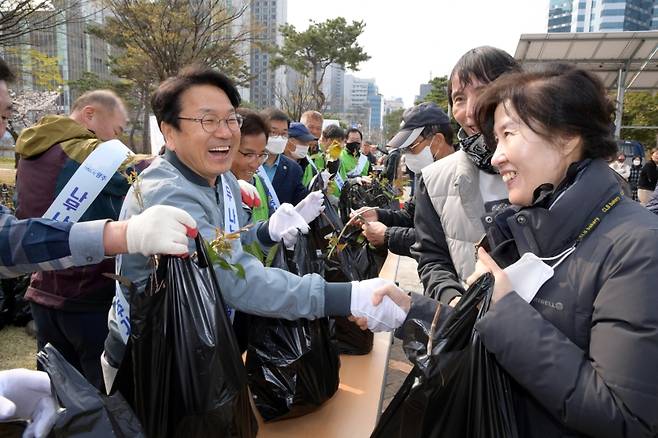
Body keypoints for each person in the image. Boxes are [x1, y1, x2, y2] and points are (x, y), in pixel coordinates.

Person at [376, 63, 658, 438]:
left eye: (509, 134)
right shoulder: (524, 228)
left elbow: (627, 418)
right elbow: (487, 332)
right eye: (497, 138)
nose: (496, 156)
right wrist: (412, 308)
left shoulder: (638, 247)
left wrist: (505, 312)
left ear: (568, 136)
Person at [103, 66, 405, 390]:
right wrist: (348, 297)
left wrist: (265, 231)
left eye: (230, 119)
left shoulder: (222, 181)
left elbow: (223, 241)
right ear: (170, 132)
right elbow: (236, 279)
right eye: (208, 120)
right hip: (152, 363)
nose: (224, 132)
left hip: (200, 348)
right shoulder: (168, 192)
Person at [13, 89, 146, 390]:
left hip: (43, 289)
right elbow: (143, 176)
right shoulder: (86, 151)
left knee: (58, 394)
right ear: (90, 115)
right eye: (117, 130)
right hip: (88, 294)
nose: (116, 139)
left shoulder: (32, 149)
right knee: (105, 401)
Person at [411, 46, 520, 305]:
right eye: (459, 99)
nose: (470, 111)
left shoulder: (552, 170)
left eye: (484, 92)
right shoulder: (433, 180)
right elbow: (432, 259)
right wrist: (453, 300)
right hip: (471, 332)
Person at [351, 102, 455, 258]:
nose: (407, 154)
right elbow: (410, 216)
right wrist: (378, 214)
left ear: (438, 140)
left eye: (411, 146)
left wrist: (388, 235)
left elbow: (448, 240)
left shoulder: (460, 179)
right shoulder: (426, 176)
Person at [261, 108, 308, 205]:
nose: (279, 138)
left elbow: (300, 202)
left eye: (283, 134)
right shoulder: (247, 162)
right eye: (273, 132)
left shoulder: (293, 169)